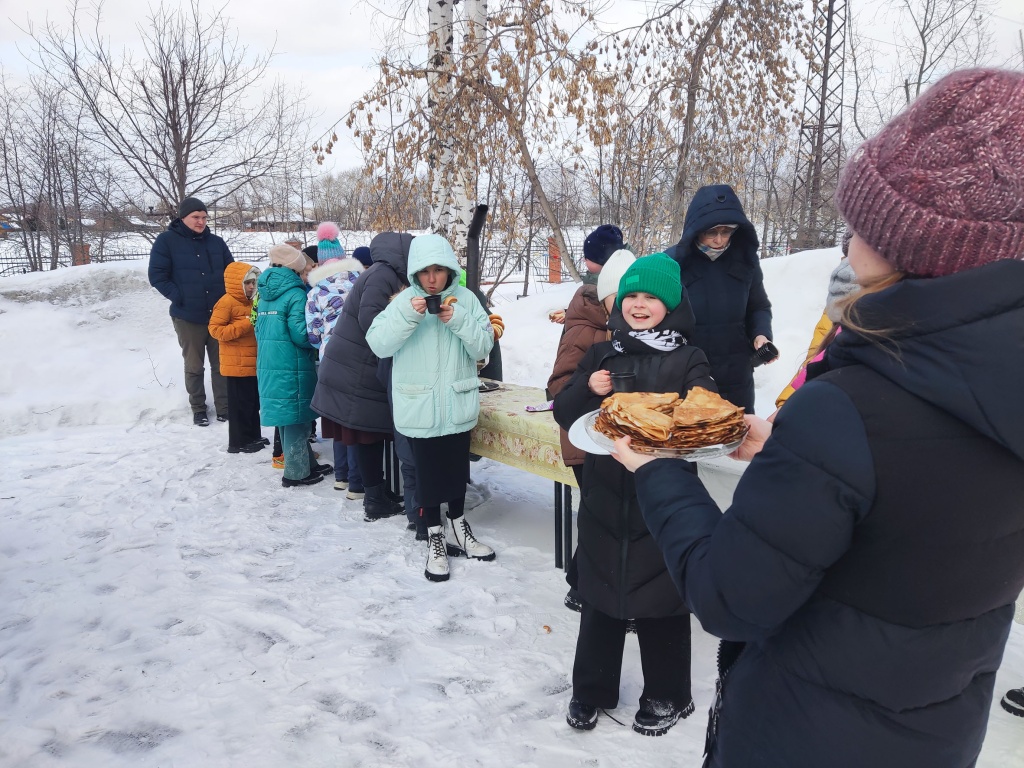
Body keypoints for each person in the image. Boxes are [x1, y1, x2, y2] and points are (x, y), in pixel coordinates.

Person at [613, 68, 1024, 767]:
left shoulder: (849, 410)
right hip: (936, 732)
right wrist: (807, 460)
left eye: (859, 226)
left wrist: (655, 468)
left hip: (800, 733)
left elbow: (728, 596)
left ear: (908, 247)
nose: (846, 245)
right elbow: (912, 511)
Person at [553, 253, 715, 736]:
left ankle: (669, 694)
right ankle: (592, 689)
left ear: (671, 304)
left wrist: (680, 413)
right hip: (605, 492)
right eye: (632, 297)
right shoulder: (604, 352)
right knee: (600, 592)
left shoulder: (689, 357)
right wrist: (587, 385)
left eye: (651, 297)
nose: (640, 306)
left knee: (661, 597)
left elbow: (704, 415)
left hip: (663, 494)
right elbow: (564, 411)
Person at [366, 234, 496, 582]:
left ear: (449, 270)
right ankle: (434, 538)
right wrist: (408, 316)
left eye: (439, 270)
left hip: (455, 402)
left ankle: (459, 529)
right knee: (425, 477)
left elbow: (484, 344)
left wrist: (458, 319)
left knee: (456, 472)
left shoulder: (466, 299)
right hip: (419, 404)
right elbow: (378, 344)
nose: (433, 278)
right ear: (415, 274)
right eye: (425, 272)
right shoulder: (404, 301)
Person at [547, 248, 636, 612]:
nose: (630, 307)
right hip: (585, 440)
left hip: (615, 439)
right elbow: (558, 386)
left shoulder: (637, 330)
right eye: (623, 299)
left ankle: (598, 586)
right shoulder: (585, 327)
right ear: (606, 298)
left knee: (618, 516)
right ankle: (583, 587)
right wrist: (593, 385)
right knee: (601, 517)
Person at [311, 232, 412, 522]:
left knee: (371, 436)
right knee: (367, 436)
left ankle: (377, 492)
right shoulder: (382, 276)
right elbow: (372, 321)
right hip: (356, 369)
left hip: (356, 366)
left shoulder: (385, 273)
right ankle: (375, 501)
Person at [665, 185, 773, 412]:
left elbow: (759, 307)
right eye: (711, 232)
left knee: (738, 437)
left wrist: (761, 335)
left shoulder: (746, 261)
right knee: (694, 440)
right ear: (696, 229)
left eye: (726, 231)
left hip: (737, 373)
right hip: (690, 372)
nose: (719, 239)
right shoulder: (673, 263)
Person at [148, 196, 234, 425]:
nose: (201, 222)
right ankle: (198, 408)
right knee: (194, 365)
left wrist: (229, 300)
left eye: (204, 217)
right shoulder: (166, 241)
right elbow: (157, 276)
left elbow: (232, 273)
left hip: (218, 315)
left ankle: (224, 407)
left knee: (221, 364)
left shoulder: (216, 243)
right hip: (188, 316)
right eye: (196, 217)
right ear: (183, 217)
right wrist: (180, 297)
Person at [254, 244, 332, 487]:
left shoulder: (265, 292)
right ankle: (296, 473)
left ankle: (306, 463)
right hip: (291, 363)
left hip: (269, 360)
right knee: (296, 416)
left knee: (288, 416)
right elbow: (300, 334)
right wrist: (321, 337)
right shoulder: (295, 294)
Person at [305, 222, 366, 497]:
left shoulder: (315, 293)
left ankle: (341, 476)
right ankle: (357, 482)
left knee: (338, 419)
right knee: (356, 419)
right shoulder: (360, 282)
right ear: (344, 257)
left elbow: (313, 334)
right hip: (359, 356)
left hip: (330, 360)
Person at [208, 262, 264, 454]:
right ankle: (239, 442)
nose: (251, 286)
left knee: (252, 402)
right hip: (236, 364)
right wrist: (245, 324)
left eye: (253, 282)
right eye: (247, 282)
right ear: (237, 284)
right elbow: (215, 330)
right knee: (240, 405)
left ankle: (253, 435)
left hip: (251, 362)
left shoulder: (252, 302)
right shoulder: (226, 302)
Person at [548, 224, 624, 326]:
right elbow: (592, 310)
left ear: (601, 260)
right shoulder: (595, 280)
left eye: (587, 257)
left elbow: (608, 317)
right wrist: (569, 313)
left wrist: (573, 315)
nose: (584, 260)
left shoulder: (614, 286)